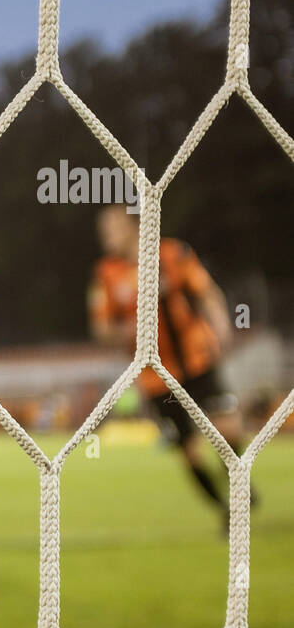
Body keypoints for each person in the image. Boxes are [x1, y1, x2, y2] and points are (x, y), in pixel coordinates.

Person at [89, 204, 251, 534]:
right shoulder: (106, 274)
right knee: (188, 452)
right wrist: (130, 328)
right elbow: (100, 329)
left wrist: (220, 324)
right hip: (156, 376)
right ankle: (227, 510)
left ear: (133, 226)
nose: (105, 235)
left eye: (112, 227)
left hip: (197, 357)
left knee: (229, 430)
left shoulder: (173, 253)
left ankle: (238, 487)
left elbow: (206, 293)